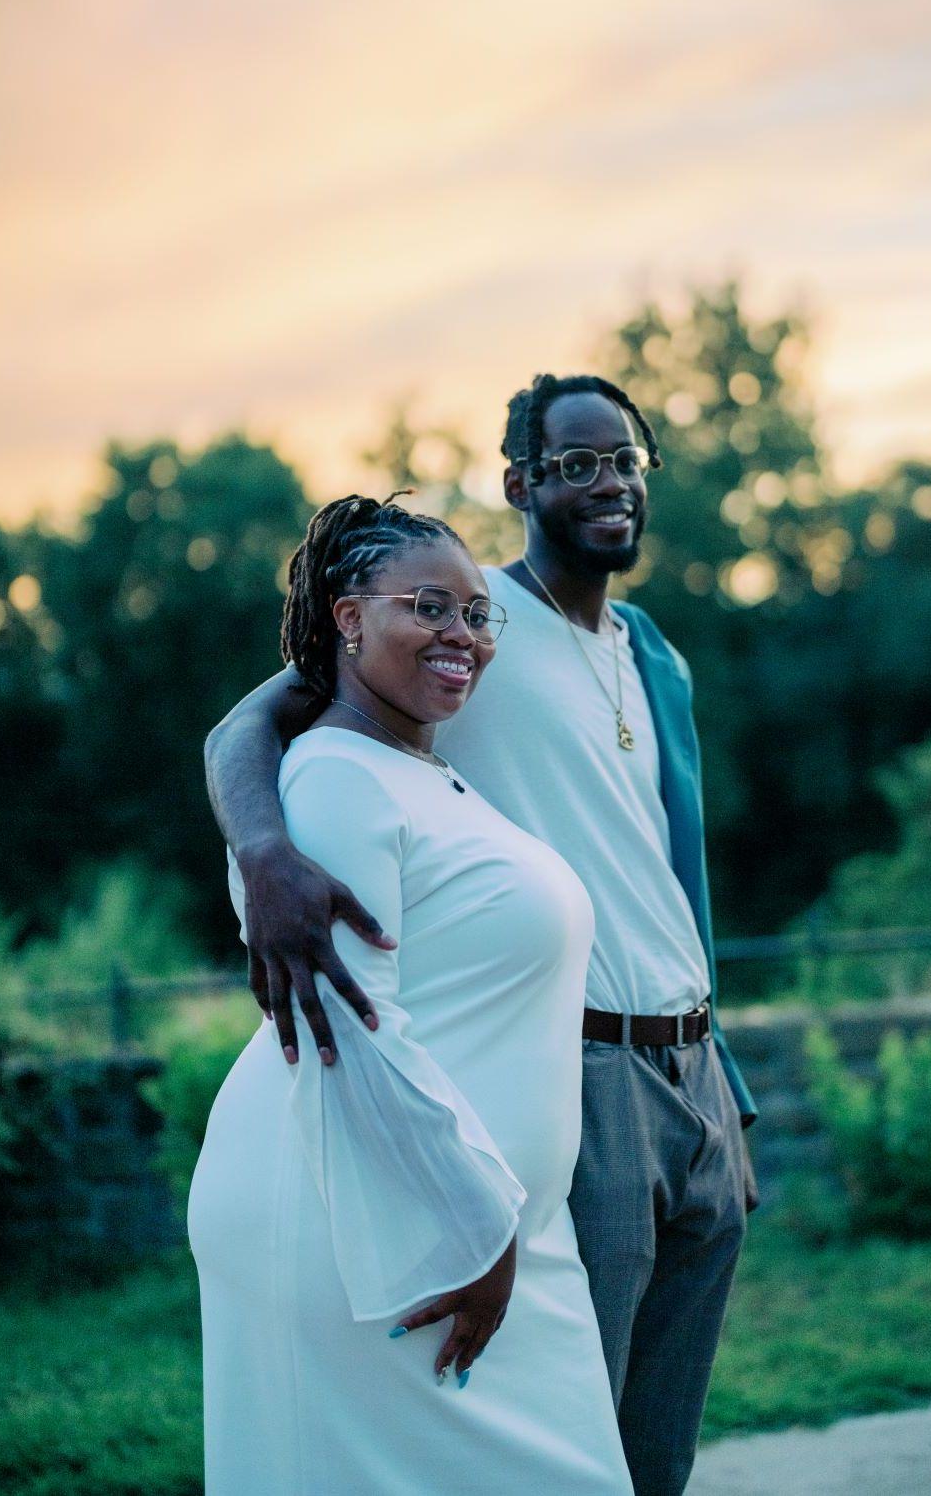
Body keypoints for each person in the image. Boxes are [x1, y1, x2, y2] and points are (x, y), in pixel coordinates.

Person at [205, 374, 757, 1496]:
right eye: (576, 463)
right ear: (520, 484)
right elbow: (245, 725)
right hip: (583, 1067)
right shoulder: (460, 611)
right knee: (563, 1431)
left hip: (692, 1072)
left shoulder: (655, 653)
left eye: (626, 460)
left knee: (655, 1452)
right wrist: (261, 849)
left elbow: (670, 876)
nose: (609, 482)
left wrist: (719, 1081)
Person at [187, 492, 633, 1496]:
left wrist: (496, 1222)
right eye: (427, 606)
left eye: (476, 613)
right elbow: (352, 1032)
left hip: (491, 1227)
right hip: (383, 1227)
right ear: (348, 617)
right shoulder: (333, 780)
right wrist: (471, 1222)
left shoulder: (424, 772)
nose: (461, 634)